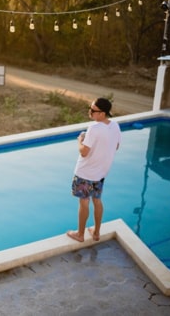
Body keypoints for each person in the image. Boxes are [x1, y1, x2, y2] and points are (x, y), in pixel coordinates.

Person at [66, 98, 121, 243]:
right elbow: (116, 146)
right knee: (97, 200)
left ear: (102, 113)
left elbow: (83, 152)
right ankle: (96, 233)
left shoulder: (94, 129)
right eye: (90, 108)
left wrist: (80, 140)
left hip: (85, 173)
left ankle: (80, 234)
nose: (90, 112)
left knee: (84, 202)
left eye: (93, 110)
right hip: (101, 173)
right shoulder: (115, 126)